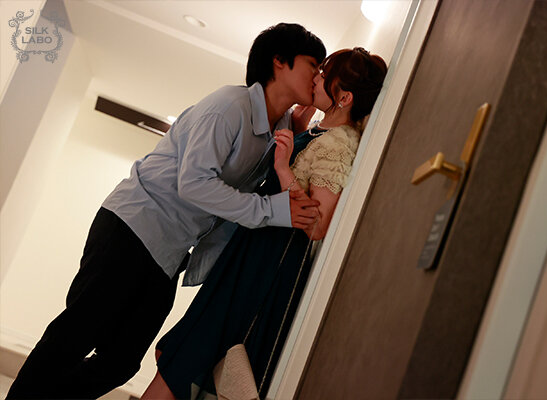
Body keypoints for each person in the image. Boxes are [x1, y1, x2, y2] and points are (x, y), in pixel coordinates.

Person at [6, 23, 326, 399]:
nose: (317, 75)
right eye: (313, 64)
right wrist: (272, 210)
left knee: (121, 361)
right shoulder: (229, 107)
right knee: (76, 335)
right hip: (134, 225)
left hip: (171, 251)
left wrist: (294, 132)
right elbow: (194, 184)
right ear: (279, 62)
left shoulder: (280, 125)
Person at [141, 47, 388, 400]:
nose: (316, 77)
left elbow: (318, 226)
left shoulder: (339, 145)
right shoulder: (319, 131)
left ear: (344, 97)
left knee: (192, 357)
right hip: (251, 252)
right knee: (183, 353)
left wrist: (284, 169)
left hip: (269, 264)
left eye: (324, 75)